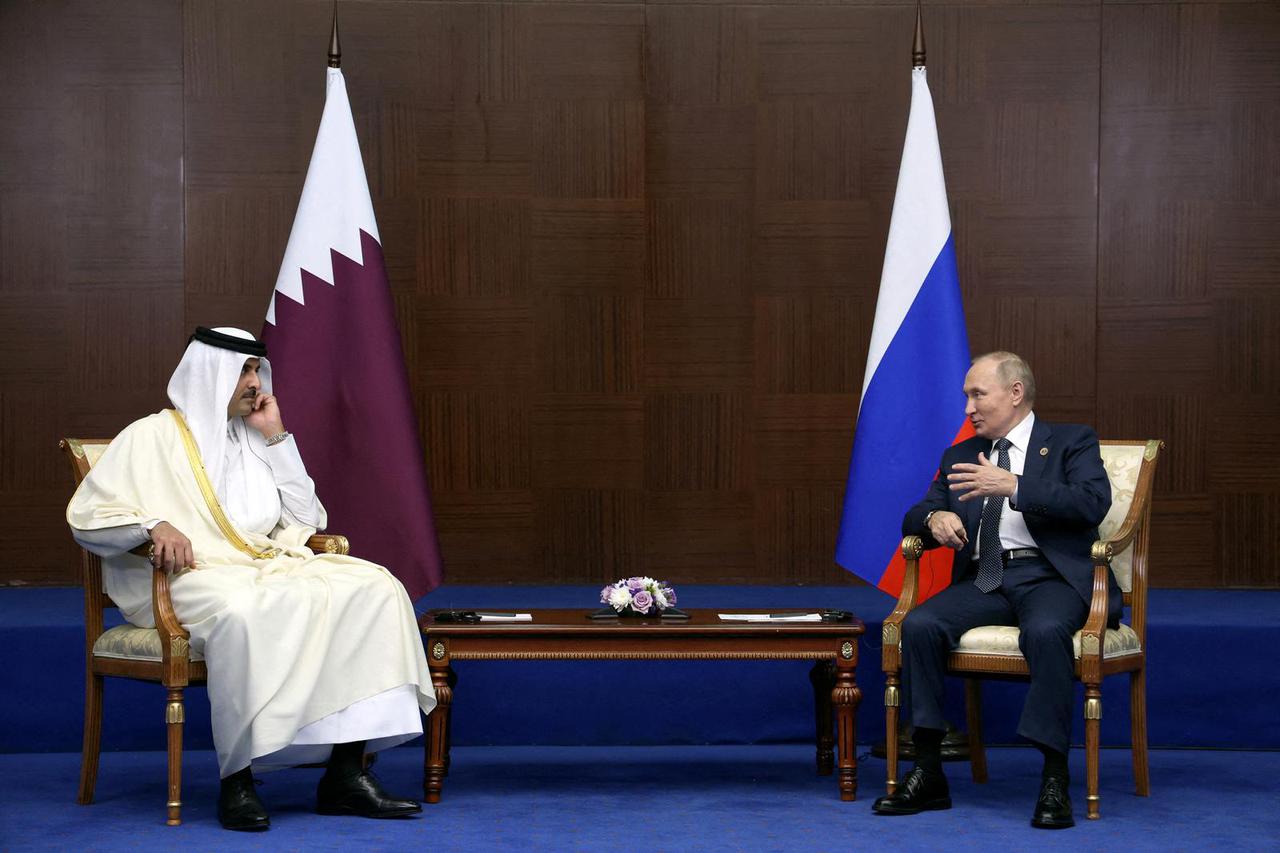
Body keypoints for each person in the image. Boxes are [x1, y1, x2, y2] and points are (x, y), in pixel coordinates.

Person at [67, 327, 436, 831]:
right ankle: (237, 779)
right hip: (190, 578)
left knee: (376, 588)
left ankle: (346, 774)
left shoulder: (255, 436)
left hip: (264, 564)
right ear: (209, 373)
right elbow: (86, 516)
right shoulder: (150, 436)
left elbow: (309, 518)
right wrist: (151, 524)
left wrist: (276, 438)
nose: (254, 381)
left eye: (257, 369)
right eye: (243, 370)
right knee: (244, 611)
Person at [871, 351, 1118, 829]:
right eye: (968, 396)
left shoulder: (1070, 442)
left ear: (1015, 393)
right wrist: (934, 518)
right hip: (987, 578)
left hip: (1050, 577)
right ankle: (927, 770)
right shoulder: (960, 455)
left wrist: (1015, 485)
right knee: (918, 626)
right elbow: (915, 514)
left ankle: (1053, 777)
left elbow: (1092, 503)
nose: (968, 408)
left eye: (977, 394)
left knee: (1045, 632)